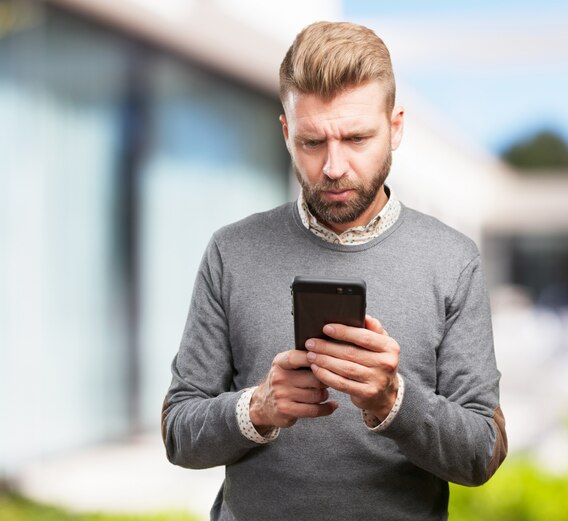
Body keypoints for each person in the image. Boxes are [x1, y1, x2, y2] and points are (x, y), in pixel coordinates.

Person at [162, 21, 507, 521]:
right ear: (286, 132)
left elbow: (481, 453)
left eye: (357, 138)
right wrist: (257, 408)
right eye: (312, 142)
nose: (333, 166)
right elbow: (178, 433)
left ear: (396, 127)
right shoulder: (231, 252)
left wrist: (395, 401)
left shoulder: (453, 260)